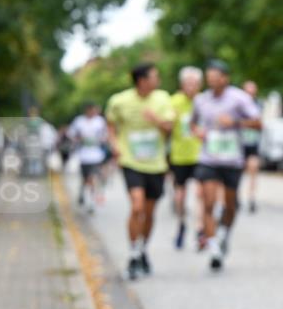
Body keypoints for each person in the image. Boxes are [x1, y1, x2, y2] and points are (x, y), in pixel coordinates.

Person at [106, 63, 175, 280]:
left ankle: (143, 248)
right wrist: (114, 144)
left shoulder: (163, 98)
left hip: (156, 164)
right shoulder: (119, 101)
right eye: (155, 77)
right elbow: (110, 124)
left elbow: (170, 127)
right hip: (131, 161)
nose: (158, 80)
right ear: (142, 80)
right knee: (137, 206)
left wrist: (156, 120)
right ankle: (134, 253)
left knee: (150, 212)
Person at [191, 59, 262, 271]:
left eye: (215, 78)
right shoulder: (201, 100)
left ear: (225, 78)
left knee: (230, 206)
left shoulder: (239, 98)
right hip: (209, 158)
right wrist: (198, 132)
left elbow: (258, 123)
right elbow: (192, 123)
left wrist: (236, 123)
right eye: (208, 78)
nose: (211, 82)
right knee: (209, 201)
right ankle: (214, 248)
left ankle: (223, 234)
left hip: (232, 159)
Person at [170, 66, 203, 248]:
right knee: (181, 195)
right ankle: (182, 224)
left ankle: (199, 228)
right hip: (179, 156)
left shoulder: (204, 101)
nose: (191, 87)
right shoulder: (173, 102)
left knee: (201, 193)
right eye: (188, 83)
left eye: (195, 84)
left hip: (200, 155)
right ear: (182, 84)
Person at [67, 102, 109, 211]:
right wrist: (78, 138)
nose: (92, 112)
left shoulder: (100, 121)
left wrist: (102, 139)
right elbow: (70, 133)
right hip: (83, 155)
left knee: (93, 178)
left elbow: (106, 134)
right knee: (85, 179)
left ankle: (91, 202)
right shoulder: (79, 121)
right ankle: (82, 193)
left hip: (96, 155)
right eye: (90, 110)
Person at [241, 80, 263, 213]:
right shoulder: (238, 105)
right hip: (239, 144)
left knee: (253, 170)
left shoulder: (258, 105)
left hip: (253, 143)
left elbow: (259, 124)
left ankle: (251, 198)